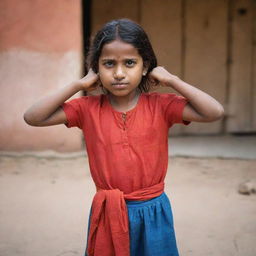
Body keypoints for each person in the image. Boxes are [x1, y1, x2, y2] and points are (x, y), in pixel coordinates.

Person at [24, 19, 224, 256]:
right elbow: (33, 117)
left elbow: (214, 112)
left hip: (153, 210)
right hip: (108, 211)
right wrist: (77, 84)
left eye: (130, 63)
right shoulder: (86, 109)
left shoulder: (162, 106)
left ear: (145, 65)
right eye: (109, 64)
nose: (119, 73)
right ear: (97, 68)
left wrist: (172, 80)